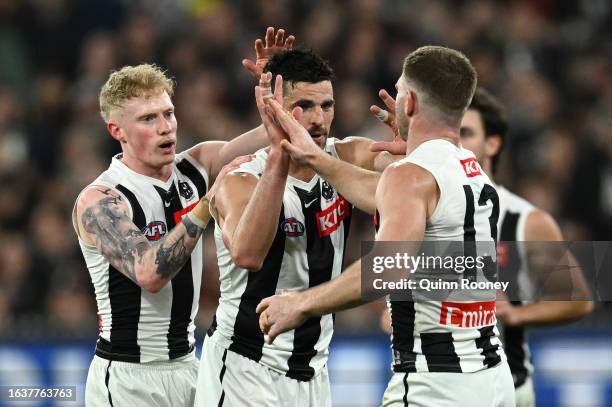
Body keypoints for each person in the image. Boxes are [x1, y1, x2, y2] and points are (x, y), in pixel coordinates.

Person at [257, 46, 516, 406]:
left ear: (409, 102)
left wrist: (302, 303)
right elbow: (383, 193)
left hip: (435, 381)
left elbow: (388, 267)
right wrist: (317, 159)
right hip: (492, 375)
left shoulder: (410, 175)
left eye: (397, 91)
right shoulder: (468, 167)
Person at [72, 26, 293, 407]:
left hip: (189, 366)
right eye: (148, 119)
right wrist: (206, 204)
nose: (165, 127)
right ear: (117, 131)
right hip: (127, 377)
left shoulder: (197, 163)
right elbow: (150, 273)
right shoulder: (100, 199)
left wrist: (279, 97)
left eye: (168, 113)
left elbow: (277, 138)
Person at [194, 49, 384, 407]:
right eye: (304, 106)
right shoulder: (239, 179)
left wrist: (414, 144)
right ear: (274, 110)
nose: (317, 119)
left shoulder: (346, 157)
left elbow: (415, 182)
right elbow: (248, 255)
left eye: (326, 106)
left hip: (314, 372)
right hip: (245, 368)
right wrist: (280, 158)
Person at [459, 88, 593, 407]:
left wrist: (517, 314)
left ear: (493, 143)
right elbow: (388, 308)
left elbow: (578, 300)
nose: (455, 143)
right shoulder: (422, 213)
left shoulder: (525, 221)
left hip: (507, 391)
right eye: (450, 134)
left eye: (466, 133)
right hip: (435, 389)